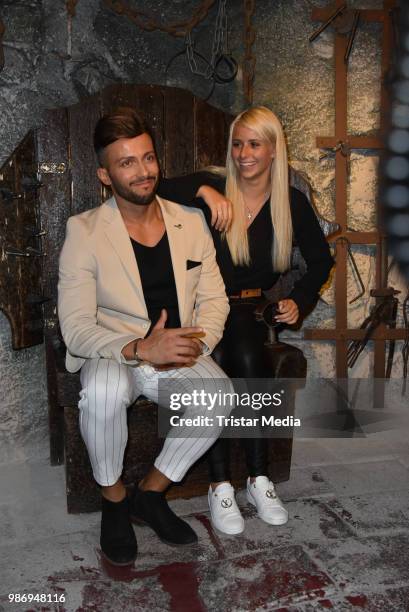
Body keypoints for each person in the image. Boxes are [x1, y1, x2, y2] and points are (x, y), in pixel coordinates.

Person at [57, 107, 233, 566]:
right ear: (105, 174)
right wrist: (138, 348)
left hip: (176, 349)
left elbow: (216, 299)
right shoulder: (84, 231)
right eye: (127, 162)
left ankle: (151, 493)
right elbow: (75, 329)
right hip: (116, 351)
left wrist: (196, 344)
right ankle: (114, 499)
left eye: (148, 157)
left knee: (220, 396)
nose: (142, 171)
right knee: (103, 391)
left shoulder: (190, 221)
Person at [158, 105, 334, 535]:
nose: (243, 153)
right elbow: (154, 185)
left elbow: (320, 260)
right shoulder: (217, 183)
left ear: (274, 150)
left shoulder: (290, 201)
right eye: (237, 143)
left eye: (254, 144)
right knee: (231, 359)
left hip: (249, 308)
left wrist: (299, 299)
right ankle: (223, 484)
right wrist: (204, 191)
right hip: (200, 304)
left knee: (247, 356)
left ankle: (255, 481)